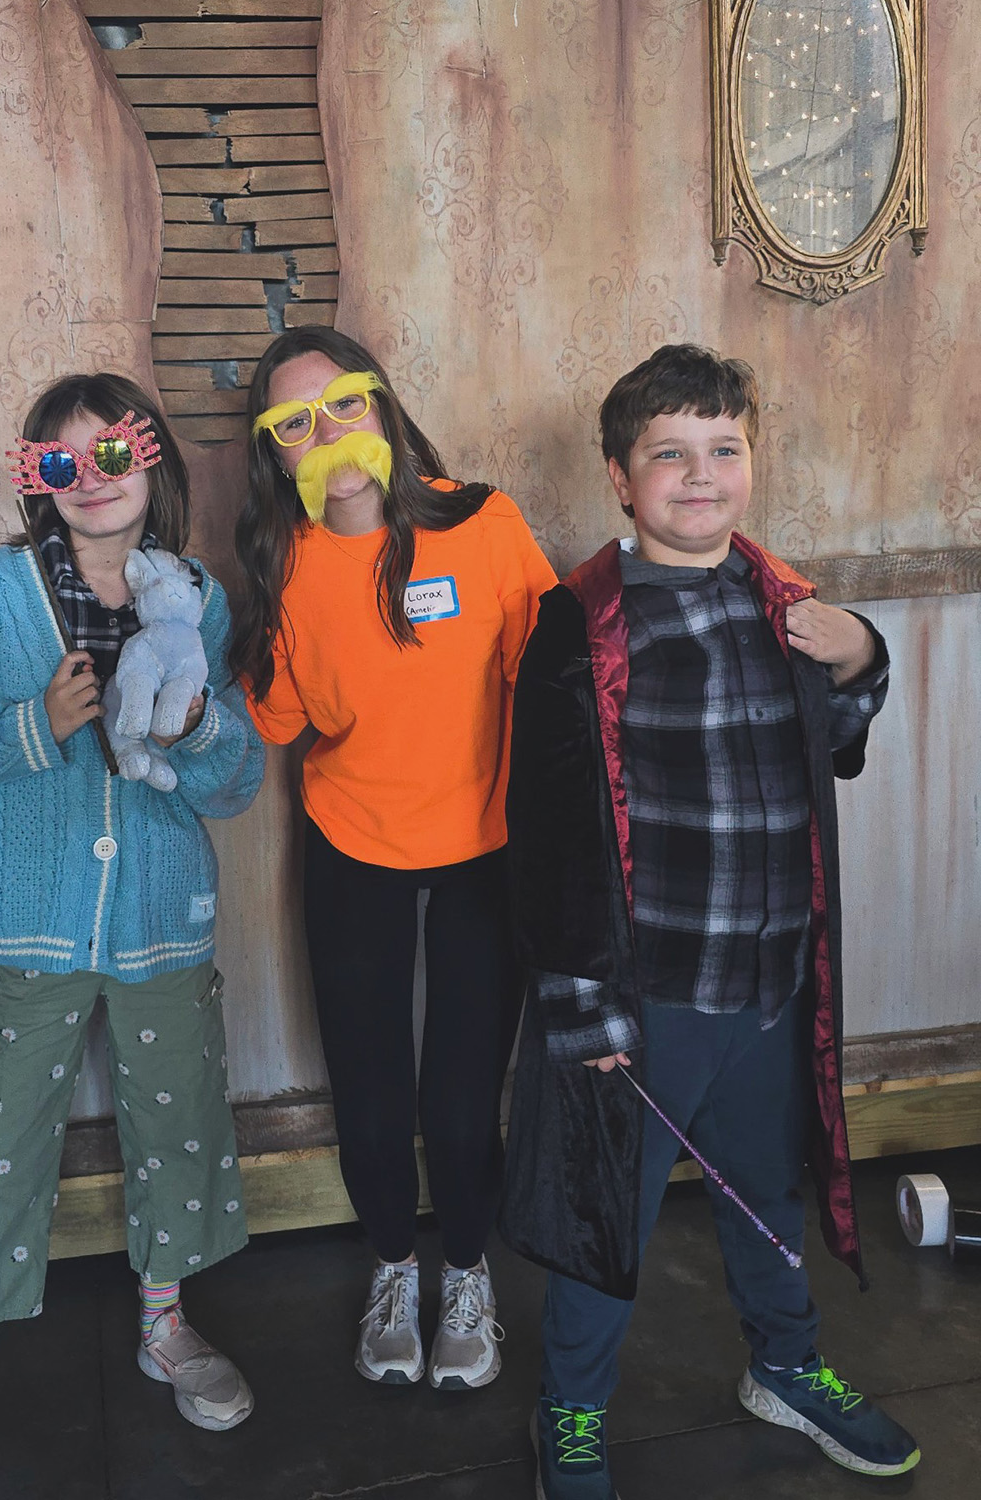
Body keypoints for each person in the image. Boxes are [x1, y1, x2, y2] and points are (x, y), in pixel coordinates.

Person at [501, 344, 919, 1498]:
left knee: (765, 1185)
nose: (701, 476)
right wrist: (583, 1006)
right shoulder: (576, 628)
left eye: (723, 450)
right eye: (669, 456)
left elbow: (832, 750)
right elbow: (543, 831)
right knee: (608, 1215)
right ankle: (572, 1410)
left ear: (751, 460)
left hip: (773, 974)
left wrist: (865, 660)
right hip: (651, 988)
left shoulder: (784, 602)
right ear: (620, 478)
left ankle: (785, 1364)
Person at [0, 373, 264, 1500]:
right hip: (34, 933)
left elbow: (234, 784)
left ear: (156, 467)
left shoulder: (195, 601)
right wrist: (28, 728)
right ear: (30, 477)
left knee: (179, 1129)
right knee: (1, 1145)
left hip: (164, 926)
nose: (90, 482)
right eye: (59, 463)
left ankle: (163, 1322)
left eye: (114, 456)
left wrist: (193, 726)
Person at [231, 326, 557, 1391]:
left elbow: (546, 677)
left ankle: (465, 1271)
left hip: (484, 847)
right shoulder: (283, 562)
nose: (326, 432)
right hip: (351, 846)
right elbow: (280, 723)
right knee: (369, 1092)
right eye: (294, 423)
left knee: (463, 1099)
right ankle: (390, 1267)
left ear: (384, 406)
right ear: (275, 452)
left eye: (344, 403)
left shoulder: (484, 522)